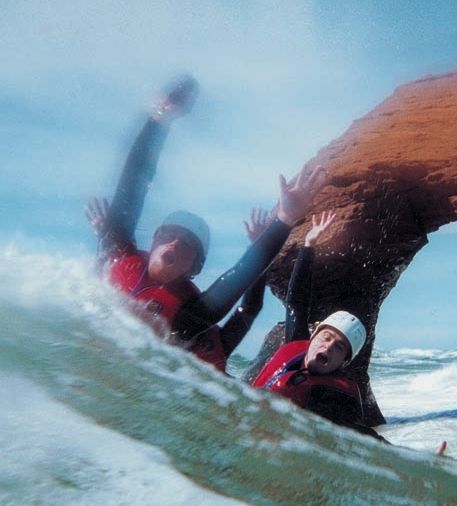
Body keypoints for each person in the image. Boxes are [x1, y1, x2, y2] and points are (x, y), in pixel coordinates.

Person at [87, 75, 325, 369]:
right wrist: (159, 119)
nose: (175, 242)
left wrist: (285, 220)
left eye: (187, 244)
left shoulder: (189, 316)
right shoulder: (116, 253)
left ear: (195, 268)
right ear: (154, 239)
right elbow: (134, 183)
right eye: (170, 234)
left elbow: (243, 284)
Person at [251, 212, 386, 440]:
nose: (330, 346)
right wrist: (309, 245)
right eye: (326, 337)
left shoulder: (338, 397)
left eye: (340, 347)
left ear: (344, 362)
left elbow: (365, 437)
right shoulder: (295, 345)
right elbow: (297, 301)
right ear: (313, 338)